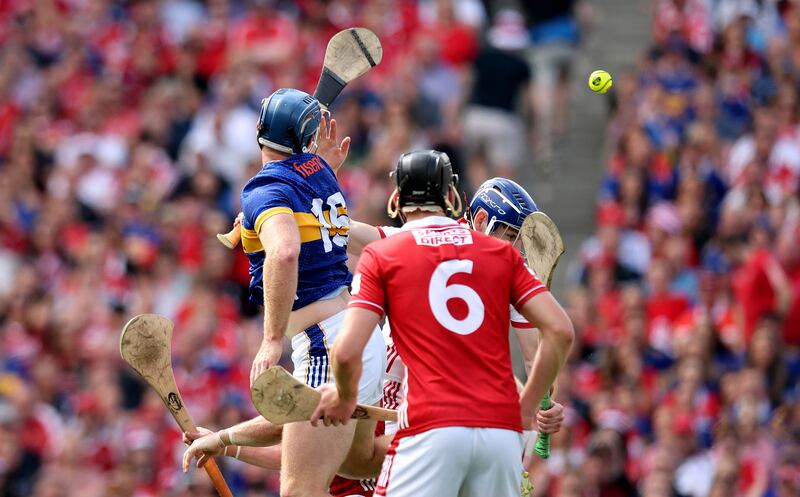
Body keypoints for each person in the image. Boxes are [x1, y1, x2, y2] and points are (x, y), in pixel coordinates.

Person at [313, 150, 575, 496]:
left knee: (339, 467)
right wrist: (527, 407)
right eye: (510, 233)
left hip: (423, 415)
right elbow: (557, 335)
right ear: (458, 202)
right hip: (495, 429)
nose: (516, 245)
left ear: (397, 200)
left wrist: (301, 203)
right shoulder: (504, 260)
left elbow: (346, 348)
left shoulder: (398, 247)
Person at [239, 87, 385, 497]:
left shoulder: (263, 190)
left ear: (258, 129)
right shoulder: (323, 173)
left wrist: (271, 340)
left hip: (325, 341)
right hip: (358, 333)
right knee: (356, 466)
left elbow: (285, 252)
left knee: (300, 490)